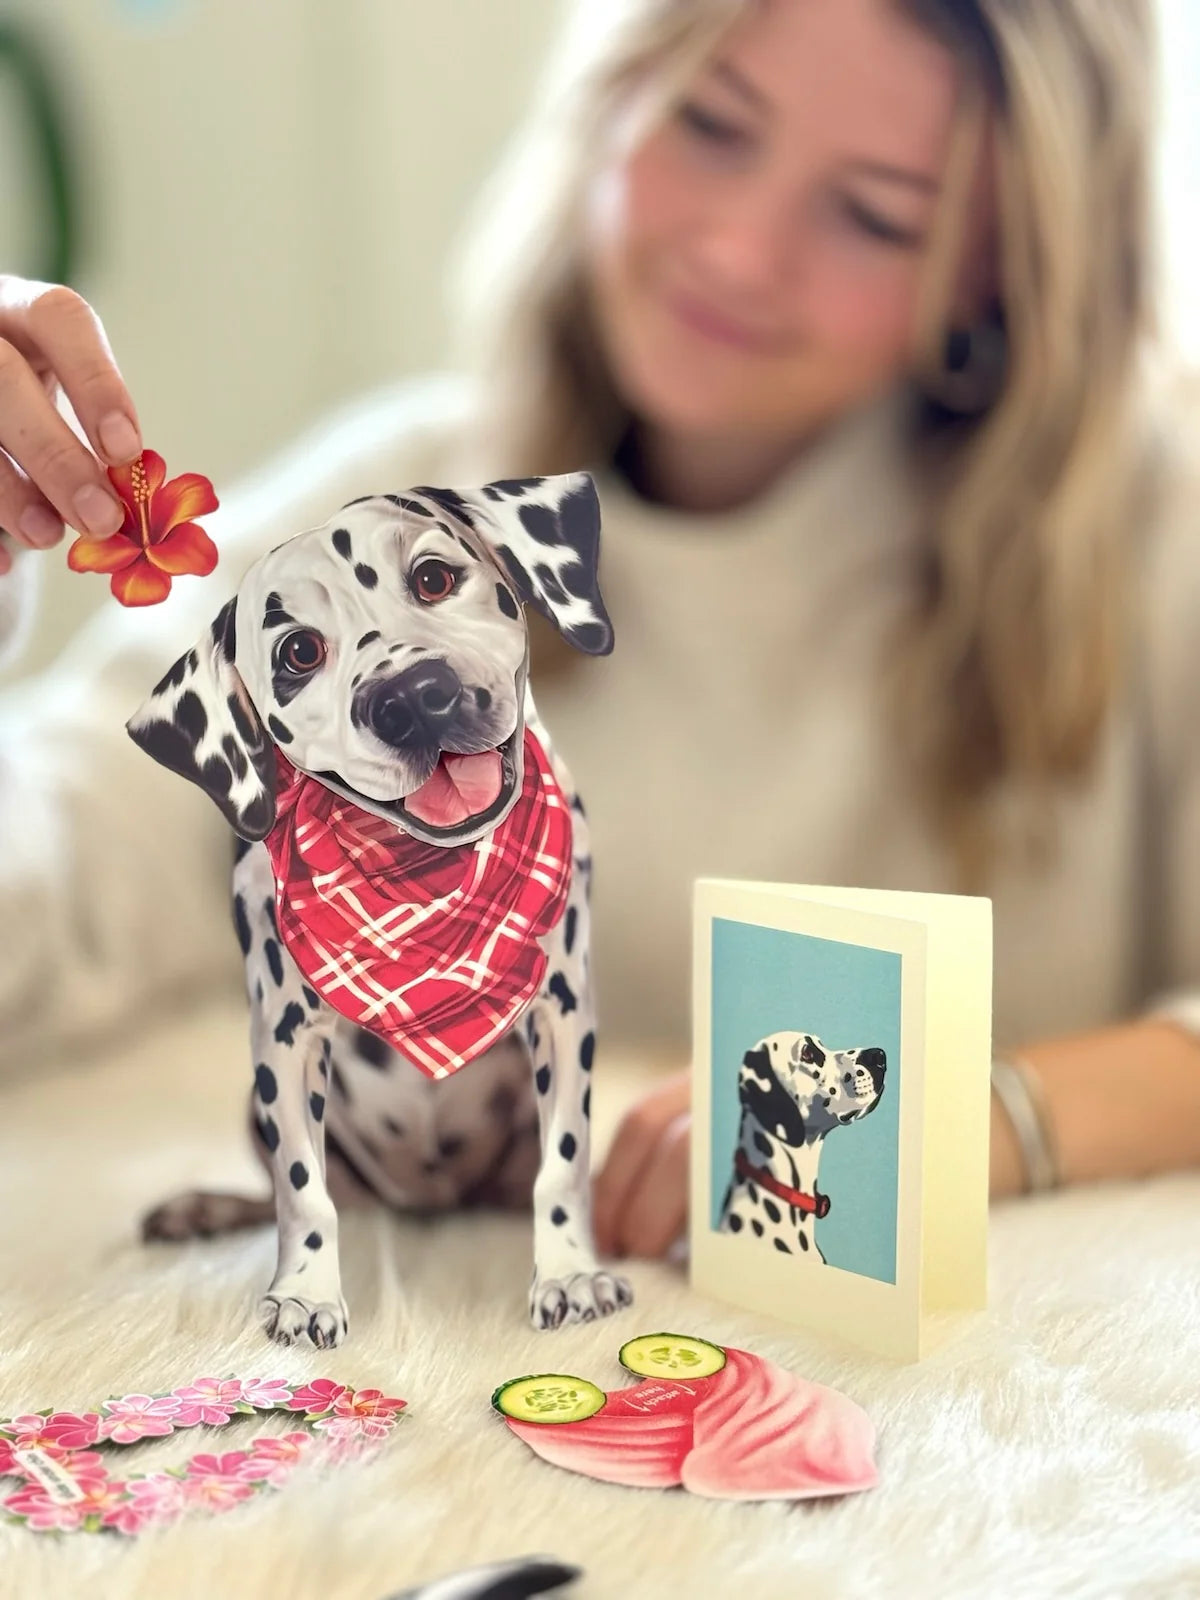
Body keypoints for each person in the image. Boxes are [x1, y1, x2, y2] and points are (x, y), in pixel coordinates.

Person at [0, 0, 1198, 1261]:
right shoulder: (382, 527)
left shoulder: (1157, 542)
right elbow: (50, 897)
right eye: (713, 125)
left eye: (876, 216)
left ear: (1005, 268)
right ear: (609, 98)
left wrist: (992, 1118)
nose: (739, 251)